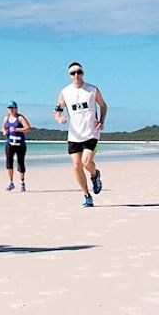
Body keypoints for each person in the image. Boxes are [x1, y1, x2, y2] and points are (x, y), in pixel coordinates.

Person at [53, 61, 108, 207]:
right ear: (69, 75)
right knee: (76, 165)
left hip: (91, 132)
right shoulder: (65, 92)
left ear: (83, 73)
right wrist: (59, 118)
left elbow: (103, 105)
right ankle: (87, 196)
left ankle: (95, 175)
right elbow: (57, 110)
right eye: (73, 73)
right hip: (74, 135)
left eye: (79, 72)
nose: (76, 75)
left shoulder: (92, 90)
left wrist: (101, 120)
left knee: (86, 162)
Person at [1, 100, 31, 192]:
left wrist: (17, 129)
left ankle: (22, 183)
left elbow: (28, 128)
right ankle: (10, 182)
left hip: (20, 144)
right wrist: (4, 131)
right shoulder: (6, 118)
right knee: (9, 162)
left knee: (20, 163)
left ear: (16, 109)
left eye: (12, 108)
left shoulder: (20, 118)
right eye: (9, 108)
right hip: (9, 143)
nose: (11, 110)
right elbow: (3, 127)